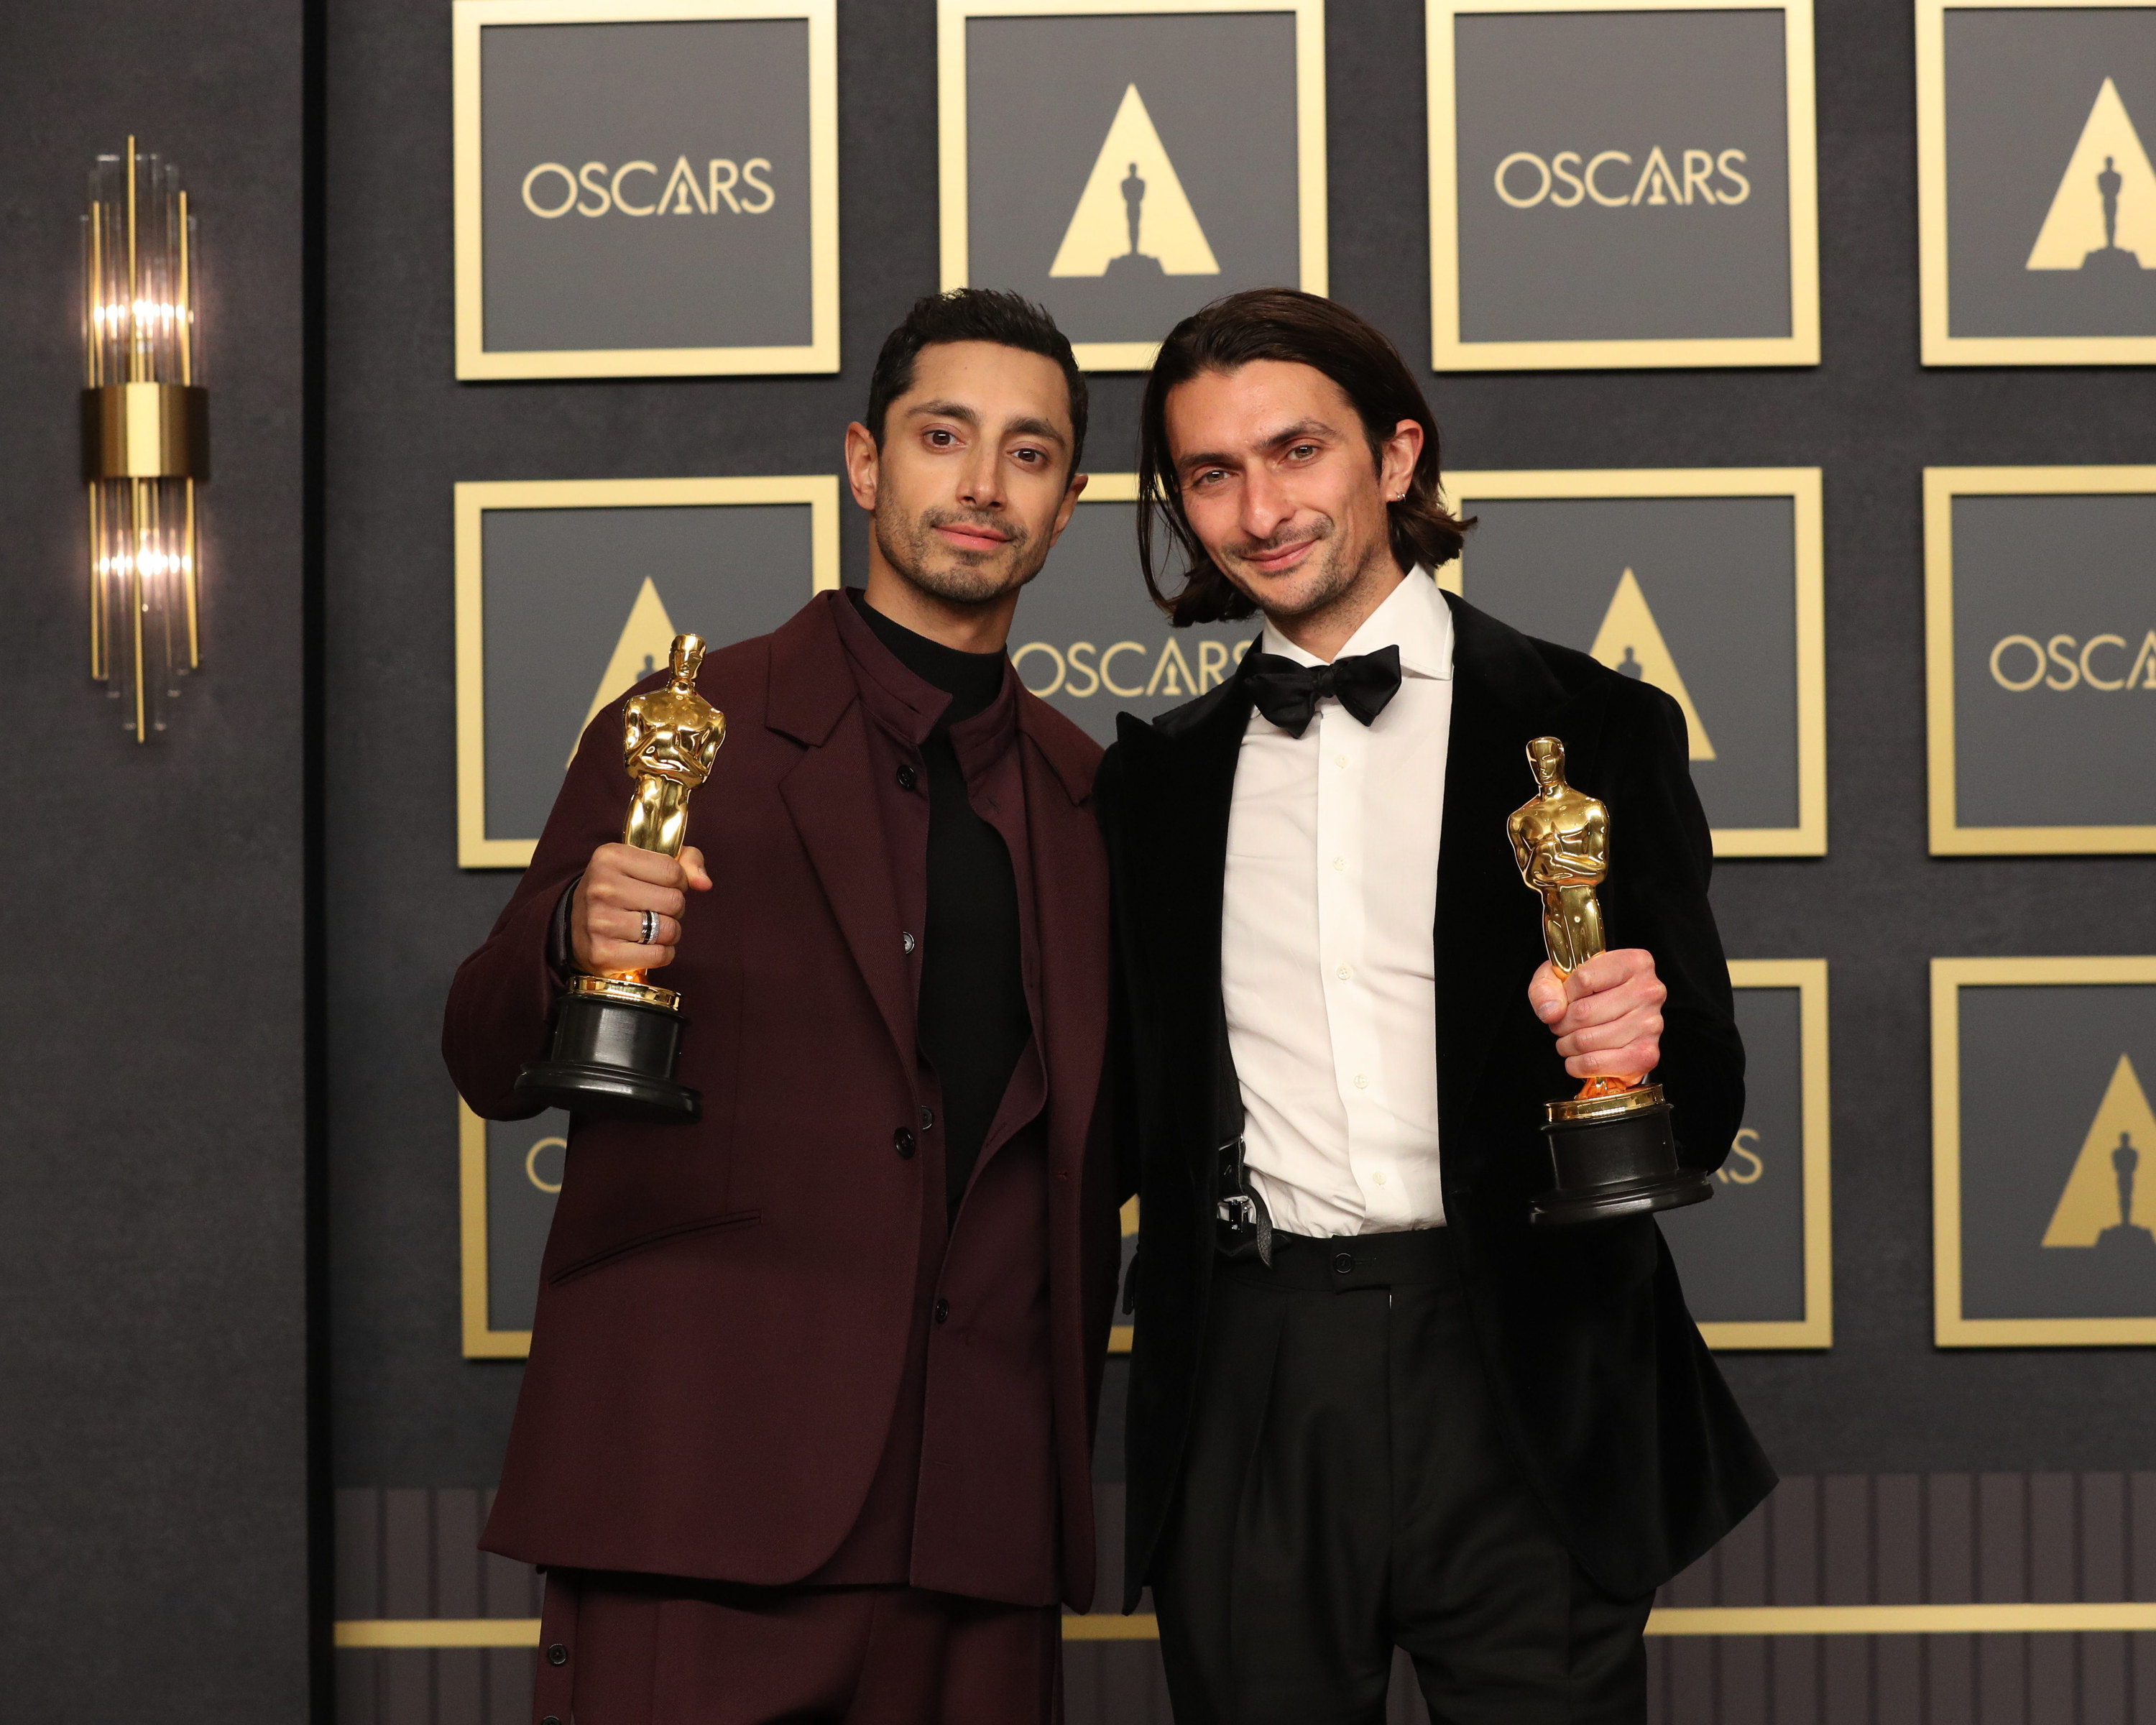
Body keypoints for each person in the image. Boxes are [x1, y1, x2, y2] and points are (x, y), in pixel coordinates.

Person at [1095, 288, 1774, 1724]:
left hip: (1525, 1363)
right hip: (1251, 1384)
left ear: (1397, 457)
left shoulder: (1599, 726)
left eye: (1298, 452)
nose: (1259, 507)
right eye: (1210, 474)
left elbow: (1703, 1095)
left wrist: (1639, 1041)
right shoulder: (1152, 786)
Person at [443, 288, 1121, 1725]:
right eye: (946, 437)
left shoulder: (1086, 796)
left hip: (978, 1531)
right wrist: (571, 931)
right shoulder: (687, 727)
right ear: (868, 465)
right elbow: (486, 1050)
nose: (984, 484)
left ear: (1068, 508)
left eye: (1031, 453)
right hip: (700, 1500)